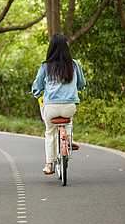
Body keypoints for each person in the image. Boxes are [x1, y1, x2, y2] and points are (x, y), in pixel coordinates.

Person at [32, 33, 86, 175]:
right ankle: (68, 138)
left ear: (51, 49)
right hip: (69, 107)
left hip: (51, 107)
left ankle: (49, 164)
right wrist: (77, 89)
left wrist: (36, 93)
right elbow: (82, 84)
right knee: (68, 121)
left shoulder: (46, 66)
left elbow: (37, 86)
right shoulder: (74, 65)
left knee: (50, 132)